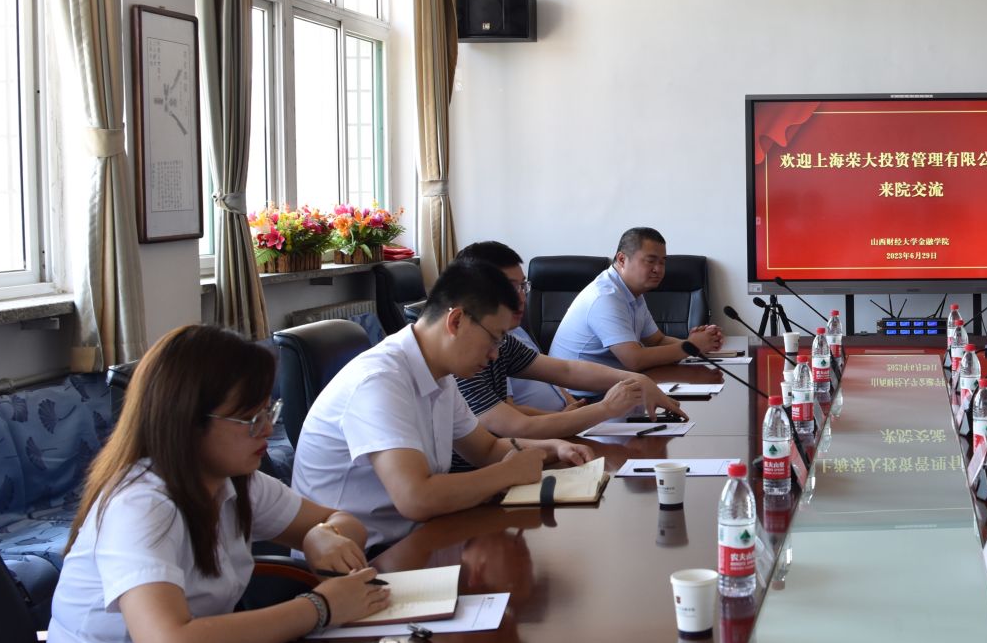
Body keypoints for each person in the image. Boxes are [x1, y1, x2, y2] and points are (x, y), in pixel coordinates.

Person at [40, 325, 391, 643]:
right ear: (188, 421)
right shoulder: (141, 505)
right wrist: (319, 607)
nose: (268, 429)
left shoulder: (235, 481)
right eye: (250, 419)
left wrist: (321, 533)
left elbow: (346, 522)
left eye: (268, 410)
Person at [294, 258, 586, 550]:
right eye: (494, 340)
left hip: (416, 537)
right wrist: (508, 473)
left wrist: (554, 447)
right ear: (456, 321)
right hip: (361, 556)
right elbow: (415, 498)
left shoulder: (441, 375)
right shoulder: (380, 381)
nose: (495, 355)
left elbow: (485, 449)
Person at [449, 240, 684, 468]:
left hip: (521, 455)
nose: (521, 297)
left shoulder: (503, 341)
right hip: (494, 472)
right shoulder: (463, 357)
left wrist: (637, 380)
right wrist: (605, 408)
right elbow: (517, 428)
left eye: (523, 286)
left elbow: (567, 370)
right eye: (511, 288)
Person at [549, 227, 722, 370]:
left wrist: (697, 343)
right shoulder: (605, 297)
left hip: (608, 386)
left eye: (662, 262)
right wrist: (691, 347)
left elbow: (657, 341)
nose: (658, 269)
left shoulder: (632, 292)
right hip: (576, 395)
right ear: (622, 259)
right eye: (650, 261)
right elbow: (634, 360)